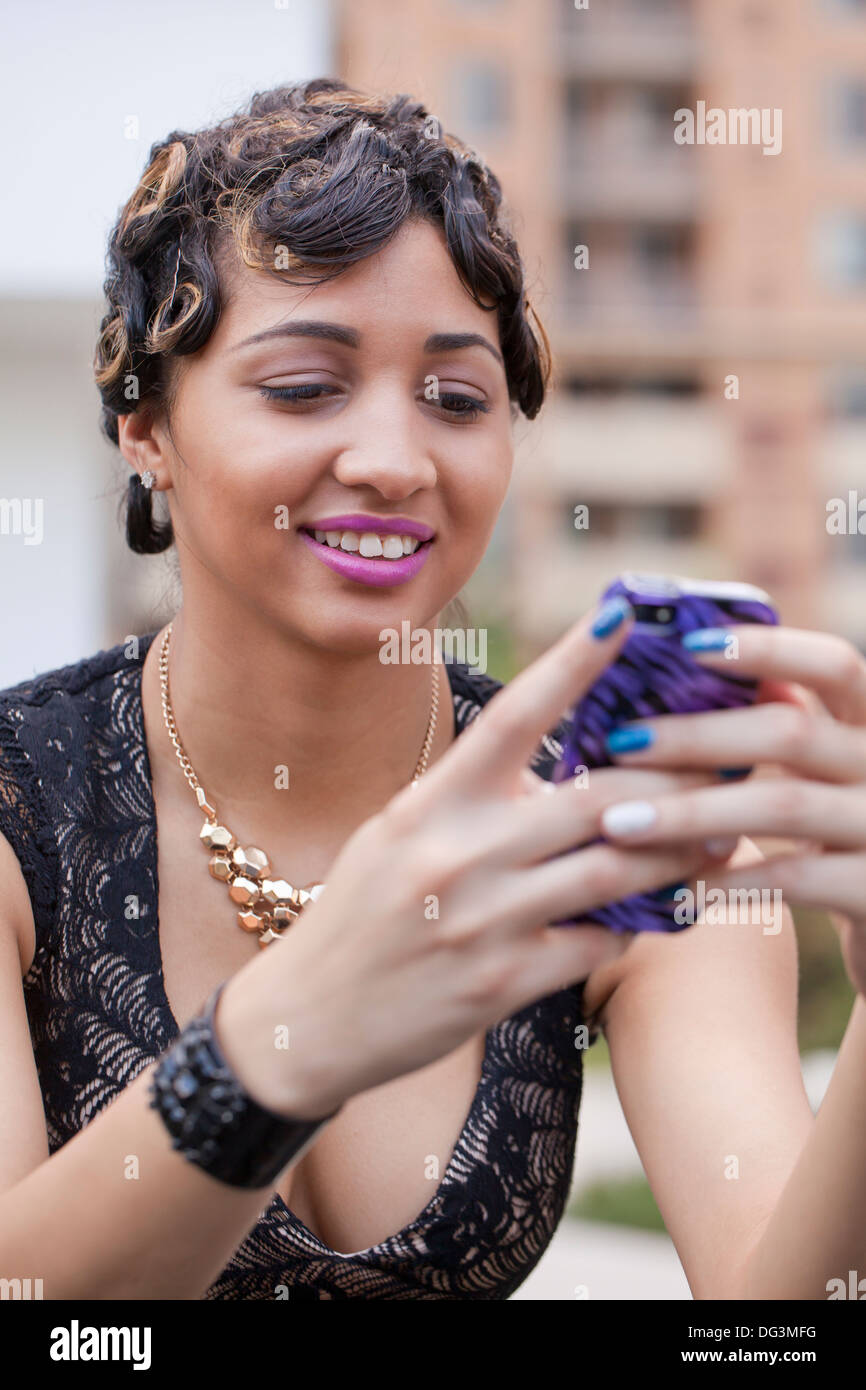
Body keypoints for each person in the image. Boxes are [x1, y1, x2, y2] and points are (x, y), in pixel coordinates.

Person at [0, 77, 863, 1302]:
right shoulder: (19, 803)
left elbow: (779, 1323)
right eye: (302, 386)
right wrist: (269, 1052)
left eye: (456, 399)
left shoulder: (612, 817)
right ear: (145, 425)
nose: (395, 462)